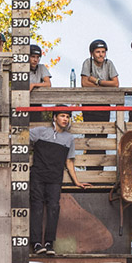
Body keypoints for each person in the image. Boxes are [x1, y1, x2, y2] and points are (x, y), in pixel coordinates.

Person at [30, 108, 90, 255]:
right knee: (37, 208)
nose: (65, 119)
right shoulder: (40, 132)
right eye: (62, 116)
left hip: (55, 178)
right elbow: (19, 136)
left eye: (68, 117)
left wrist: (76, 181)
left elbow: (69, 161)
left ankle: (49, 243)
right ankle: (36, 243)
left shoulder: (69, 138)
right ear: (55, 117)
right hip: (37, 176)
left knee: (54, 209)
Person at [79, 39, 119, 123]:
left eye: (103, 52)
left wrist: (97, 81)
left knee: (104, 129)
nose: (101, 55)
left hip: (104, 101)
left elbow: (115, 83)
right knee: (89, 129)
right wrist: (106, 85)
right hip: (89, 101)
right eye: (98, 52)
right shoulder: (87, 63)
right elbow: (84, 83)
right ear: (91, 53)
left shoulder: (109, 63)